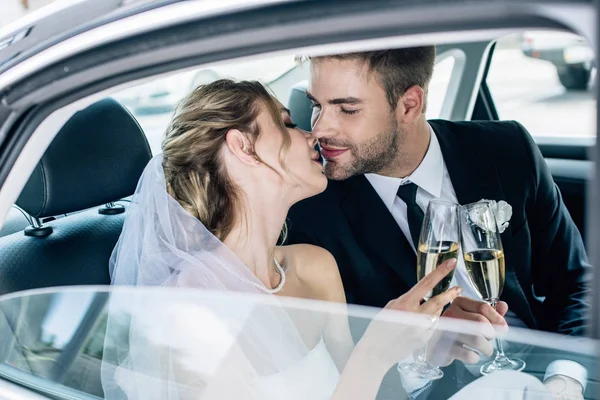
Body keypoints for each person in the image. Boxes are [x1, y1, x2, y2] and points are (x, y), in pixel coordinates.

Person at [100, 78, 464, 400]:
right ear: (244, 147)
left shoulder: (314, 266)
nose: (313, 134)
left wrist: (425, 355)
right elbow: (363, 371)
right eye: (287, 123)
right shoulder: (189, 315)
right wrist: (373, 354)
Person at [285, 46, 591, 399]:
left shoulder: (506, 149)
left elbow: (577, 283)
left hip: (546, 368)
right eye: (316, 105)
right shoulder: (310, 211)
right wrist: (419, 364)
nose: (320, 128)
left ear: (409, 105)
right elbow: (345, 373)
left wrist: (565, 381)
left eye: (348, 108)